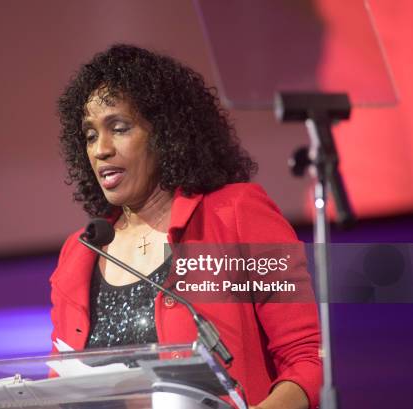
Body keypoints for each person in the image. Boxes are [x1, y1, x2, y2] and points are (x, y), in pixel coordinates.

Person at [50, 44, 321, 409]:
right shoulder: (80, 252)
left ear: (165, 134)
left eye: (119, 128)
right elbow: (60, 387)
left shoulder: (236, 215)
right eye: (91, 135)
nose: (101, 149)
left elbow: (307, 359)